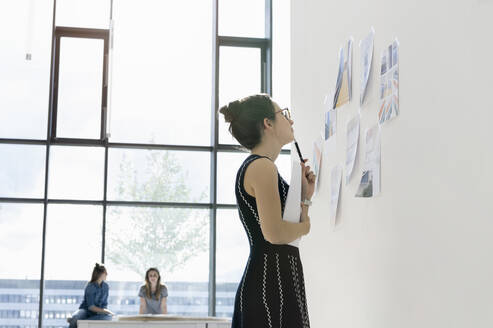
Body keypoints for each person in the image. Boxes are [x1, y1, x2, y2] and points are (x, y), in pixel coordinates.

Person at [219, 94, 316, 328]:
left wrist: (305, 197)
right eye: (284, 114)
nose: (290, 121)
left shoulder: (264, 167)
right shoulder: (261, 167)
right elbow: (274, 234)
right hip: (269, 287)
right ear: (268, 123)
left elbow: (283, 231)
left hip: (277, 281)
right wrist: (306, 226)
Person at [68, 263, 114, 328]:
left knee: (109, 317)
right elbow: (91, 307)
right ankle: (76, 321)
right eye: (105, 273)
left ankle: (80, 323)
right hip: (86, 310)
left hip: (98, 313)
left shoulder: (106, 287)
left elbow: (104, 304)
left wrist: (106, 312)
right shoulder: (90, 286)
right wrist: (107, 311)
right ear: (100, 274)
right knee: (76, 317)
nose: (107, 274)